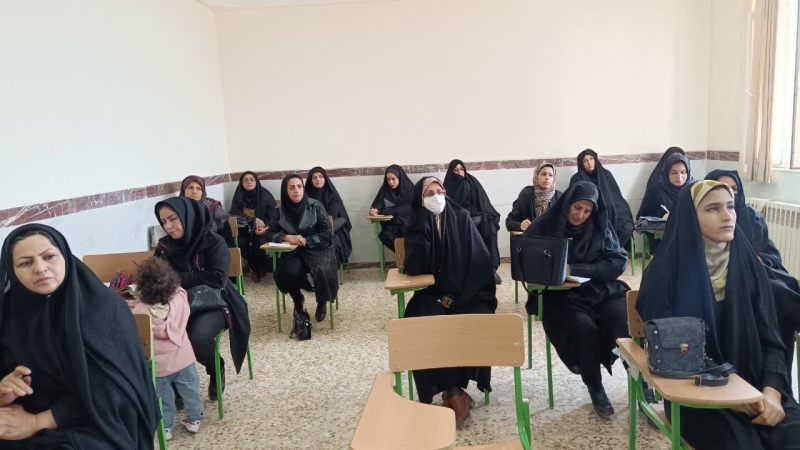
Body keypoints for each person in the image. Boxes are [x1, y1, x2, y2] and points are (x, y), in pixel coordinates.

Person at [636, 180, 800, 449]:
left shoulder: (750, 266)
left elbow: (772, 340)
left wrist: (772, 391)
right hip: (696, 395)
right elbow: (674, 356)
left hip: (758, 389)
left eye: (730, 206)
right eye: (713, 208)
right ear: (690, 217)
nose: (727, 216)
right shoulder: (665, 275)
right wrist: (732, 395)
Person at [0, 224, 159, 449]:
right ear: (11, 270)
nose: (40, 268)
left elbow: (112, 393)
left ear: (65, 257)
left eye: (49, 256)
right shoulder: (10, 314)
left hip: (98, 420)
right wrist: (5, 390)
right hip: (28, 413)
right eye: (25, 263)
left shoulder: (103, 309)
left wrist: (36, 422)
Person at [523, 181, 629, 419]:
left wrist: (576, 268)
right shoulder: (544, 226)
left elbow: (617, 262)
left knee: (623, 321)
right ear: (568, 203)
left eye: (587, 211)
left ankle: (639, 381)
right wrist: (553, 271)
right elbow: (526, 265)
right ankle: (595, 386)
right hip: (560, 296)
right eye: (577, 208)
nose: (581, 215)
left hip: (599, 290)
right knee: (583, 329)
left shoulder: (600, 225)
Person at [402, 176, 498, 423]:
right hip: (432, 292)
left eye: (440, 191)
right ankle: (454, 391)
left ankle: (454, 391)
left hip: (467, 291)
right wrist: (422, 226)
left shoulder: (462, 217)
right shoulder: (415, 223)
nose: (436, 197)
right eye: (428, 194)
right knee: (421, 319)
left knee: (476, 317)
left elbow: (478, 263)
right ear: (419, 200)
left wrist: (456, 298)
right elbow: (414, 268)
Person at [155, 197, 251, 402]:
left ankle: (216, 368)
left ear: (187, 216)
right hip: (176, 305)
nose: (168, 226)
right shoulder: (164, 246)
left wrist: (176, 278)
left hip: (212, 302)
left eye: (172, 219)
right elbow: (157, 276)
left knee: (197, 338)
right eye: (163, 222)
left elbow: (217, 278)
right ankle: (178, 382)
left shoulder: (213, 241)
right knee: (163, 336)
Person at [706, 170, 800, 372]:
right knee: (775, 291)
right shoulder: (701, 223)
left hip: (759, 274)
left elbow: (772, 256)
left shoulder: (752, 218)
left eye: (734, 190)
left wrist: (757, 259)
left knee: (781, 288)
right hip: (730, 283)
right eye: (724, 189)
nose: (731, 195)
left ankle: (775, 372)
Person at [130, 257, 203, 441]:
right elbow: (180, 290)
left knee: (162, 398)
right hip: (183, 359)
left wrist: (136, 302)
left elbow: (134, 320)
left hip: (159, 367)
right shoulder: (179, 300)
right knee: (191, 390)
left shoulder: (140, 311)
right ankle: (194, 419)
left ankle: (166, 428)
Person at [266, 174, 339, 325]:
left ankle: (322, 300)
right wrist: (286, 237)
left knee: (322, 270)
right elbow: (269, 233)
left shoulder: (315, 206)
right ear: (285, 191)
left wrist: (306, 240)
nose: (296, 191)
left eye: (299, 186)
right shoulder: (279, 210)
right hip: (293, 251)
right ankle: (297, 299)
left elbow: (327, 234)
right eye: (292, 188)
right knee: (287, 271)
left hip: (318, 249)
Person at [443, 159, 502, 284]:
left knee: (490, 226)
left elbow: (485, 203)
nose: (459, 172)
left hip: (478, 216)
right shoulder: (448, 186)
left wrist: (484, 216)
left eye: (462, 169)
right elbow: (450, 209)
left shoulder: (472, 181)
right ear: (451, 172)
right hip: (460, 220)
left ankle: (492, 270)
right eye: (456, 170)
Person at [569, 149, 634, 248]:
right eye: (585, 161)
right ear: (581, 164)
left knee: (626, 226)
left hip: (612, 211)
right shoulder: (577, 179)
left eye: (591, 159)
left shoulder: (606, 174)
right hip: (590, 214)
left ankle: (613, 249)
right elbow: (574, 202)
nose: (589, 163)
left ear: (596, 159)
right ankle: (601, 251)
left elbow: (616, 197)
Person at [638, 153, 692, 254]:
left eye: (683, 172)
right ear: (667, 172)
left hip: (690, 237)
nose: (679, 177)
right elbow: (641, 219)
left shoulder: (693, 189)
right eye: (673, 173)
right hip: (663, 240)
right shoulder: (655, 191)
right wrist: (661, 216)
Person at [229, 171, 277, 282]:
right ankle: (254, 269)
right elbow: (234, 213)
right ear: (241, 183)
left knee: (259, 244)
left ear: (256, 181)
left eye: (252, 179)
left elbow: (274, 215)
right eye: (245, 180)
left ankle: (262, 267)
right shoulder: (238, 196)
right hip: (244, 230)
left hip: (263, 230)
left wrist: (267, 227)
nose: (249, 182)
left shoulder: (265, 195)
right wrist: (253, 220)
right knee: (240, 243)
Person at [305, 167, 353, 266]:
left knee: (331, 243)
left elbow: (331, 216)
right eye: (314, 177)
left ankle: (328, 270)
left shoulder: (332, 195)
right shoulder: (305, 196)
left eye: (320, 176)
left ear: (325, 178)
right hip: (310, 229)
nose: (318, 179)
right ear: (310, 180)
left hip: (332, 229)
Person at [369, 165, 414, 252]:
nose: (391, 182)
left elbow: (407, 209)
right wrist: (375, 211)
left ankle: (405, 258)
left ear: (400, 177)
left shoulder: (410, 190)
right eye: (388, 179)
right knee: (385, 236)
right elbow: (378, 204)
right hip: (390, 226)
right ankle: (402, 257)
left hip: (407, 225)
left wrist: (388, 211)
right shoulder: (385, 189)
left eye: (393, 179)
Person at [506, 162, 562, 232]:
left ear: (554, 178)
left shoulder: (560, 197)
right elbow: (510, 222)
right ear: (536, 176)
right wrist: (520, 225)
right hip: (530, 238)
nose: (547, 178)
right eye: (543, 174)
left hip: (553, 238)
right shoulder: (525, 195)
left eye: (551, 175)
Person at [179, 175, 231, 241]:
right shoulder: (178, 207)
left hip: (213, 242)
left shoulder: (212, 205)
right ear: (183, 190)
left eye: (198, 188)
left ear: (202, 192)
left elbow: (225, 228)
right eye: (190, 188)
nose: (194, 192)